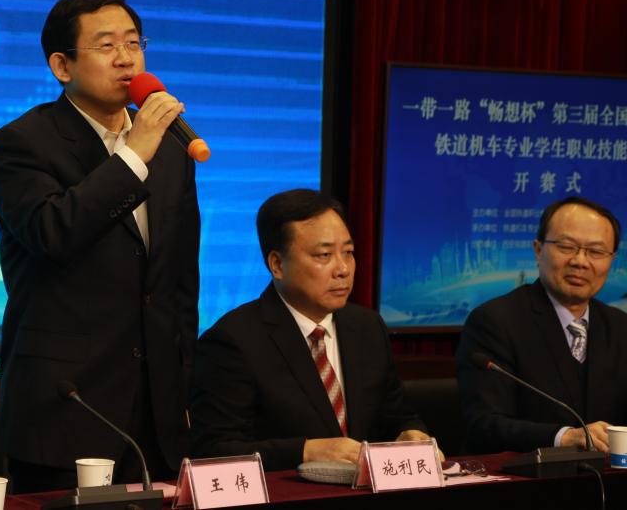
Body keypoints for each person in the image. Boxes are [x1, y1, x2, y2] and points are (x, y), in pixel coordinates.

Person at [0, 0, 201, 491]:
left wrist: (185, 389)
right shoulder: (21, 143)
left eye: (134, 42)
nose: (126, 58)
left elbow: (178, 282)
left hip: (158, 415)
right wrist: (133, 156)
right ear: (62, 66)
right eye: (106, 46)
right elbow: (52, 233)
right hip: (68, 408)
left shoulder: (170, 148)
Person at [189, 189, 430, 470]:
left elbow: (397, 415)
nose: (343, 269)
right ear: (277, 264)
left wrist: (411, 434)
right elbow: (213, 450)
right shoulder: (234, 341)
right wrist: (305, 451)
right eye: (324, 255)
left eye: (349, 253)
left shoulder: (367, 327)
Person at [456, 196, 627, 453]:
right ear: (538, 249)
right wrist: (565, 437)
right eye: (567, 246)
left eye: (596, 251)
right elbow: (484, 424)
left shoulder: (620, 327)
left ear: (612, 259)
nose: (580, 261)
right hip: (522, 475)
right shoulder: (495, 321)